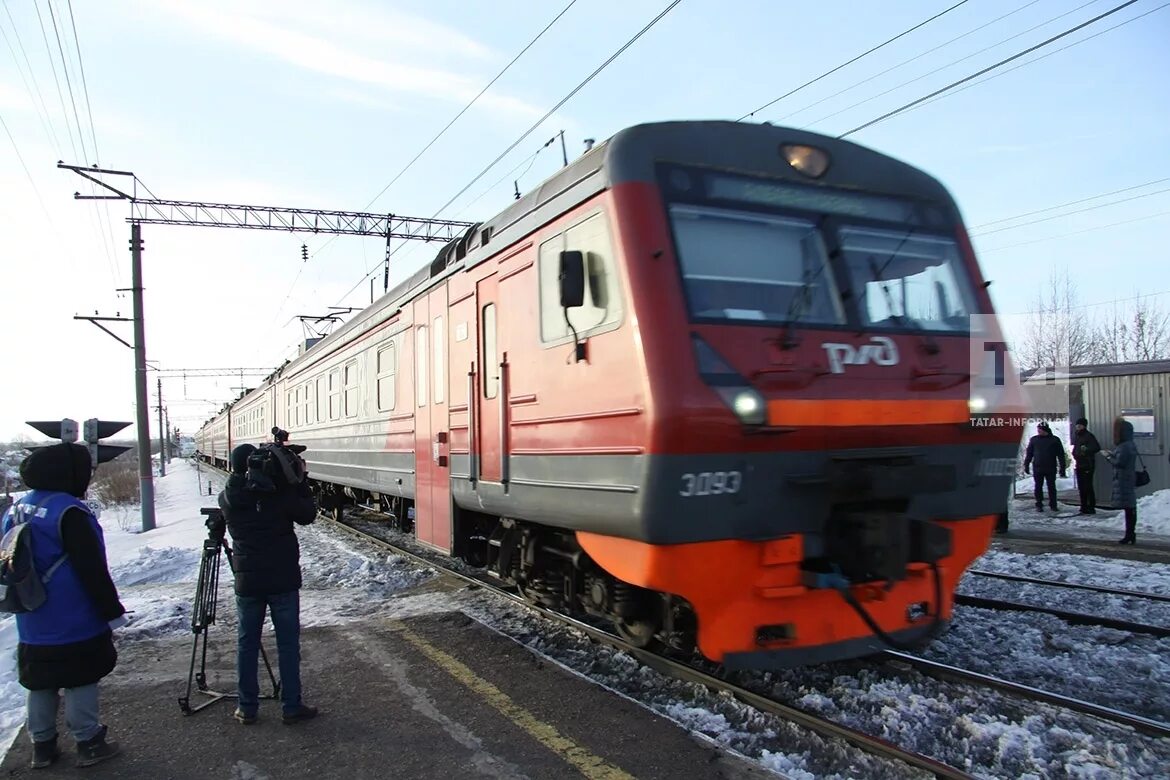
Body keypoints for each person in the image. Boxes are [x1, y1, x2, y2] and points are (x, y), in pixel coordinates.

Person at [0, 443, 126, 769]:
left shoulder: (18, 508)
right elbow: (91, 568)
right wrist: (111, 612)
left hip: (33, 617)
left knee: (40, 680)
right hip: (74, 615)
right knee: (80, 677)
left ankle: (41, 746)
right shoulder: (68, 511)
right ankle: (89, 742)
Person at [218, 439, 319, 725]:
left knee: (246, 643)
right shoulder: (279, 494)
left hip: (247, 581)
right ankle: (291, 706)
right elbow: (307, 514)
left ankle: (246, 707)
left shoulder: (227, 497)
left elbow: (240, 494)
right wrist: (298, 481)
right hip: (282, 578)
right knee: (287, 645)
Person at [1103, 416, 1138, 545]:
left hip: (1124, 479)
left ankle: (1130, 534)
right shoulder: (1129, 445)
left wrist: (1108, 457)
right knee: (1129, 507)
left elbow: (1120, 463)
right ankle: (1130, 534)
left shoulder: (1124, 446)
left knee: (1129, 507)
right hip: (1126, 478)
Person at [1023, 421, 1067, 512]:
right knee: (1038, 486)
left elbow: (1061, 455)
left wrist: (1062, 468)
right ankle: (1039, 503)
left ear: (1045, 430)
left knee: (1051, 487)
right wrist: (1026, 464)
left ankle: (1053, 504)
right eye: (1038, 430)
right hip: (1038, 467)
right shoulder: (1034, 440)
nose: (1039, 431)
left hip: (1050, 467)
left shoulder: (1054, 440)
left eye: (1040, 430)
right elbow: (1029, 453)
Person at [1071, 417, 1101, 514]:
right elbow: (1076, 448)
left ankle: (1091, 507)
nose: (1078, 427)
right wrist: (1075, 454)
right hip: (1079, 464)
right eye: (1077, 425)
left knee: (1088, 486)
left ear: (1084, 426)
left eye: (1080, 425)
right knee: (1081, 487)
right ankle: (1083, 506)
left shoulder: (1089, 436)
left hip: (1088, 464)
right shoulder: (1077, 436)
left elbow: (1096, 447)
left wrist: (1087, 450)